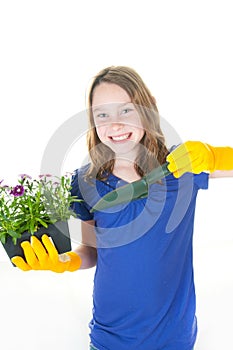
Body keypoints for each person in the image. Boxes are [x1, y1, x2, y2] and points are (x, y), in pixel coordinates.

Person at [12, 66, 233, 350]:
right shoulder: (85, 182)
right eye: (102, 114)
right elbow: (92, 250)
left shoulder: (183, 167)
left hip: (174, 338)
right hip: (109, 338)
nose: (114, 125)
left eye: (126, 111)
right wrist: (64, 263)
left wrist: (217, 156)